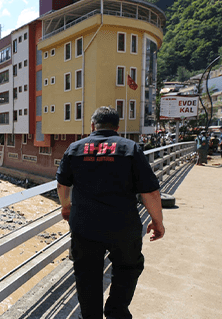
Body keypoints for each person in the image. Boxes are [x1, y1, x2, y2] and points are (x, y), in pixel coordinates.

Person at [56, 106, 165, 319]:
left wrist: (66, 206)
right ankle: (116, 310)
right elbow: (150, 191)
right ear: (117, 127)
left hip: (85, 227)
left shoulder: (75, 148)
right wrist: (157, 221)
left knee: (87, 276)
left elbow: (62, 185)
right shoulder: (130, 149)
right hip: (123, 227)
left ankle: (91, 316)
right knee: (128, 269)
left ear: (92, 126)